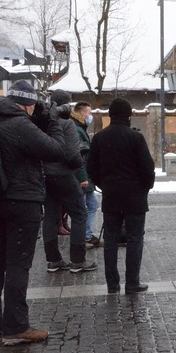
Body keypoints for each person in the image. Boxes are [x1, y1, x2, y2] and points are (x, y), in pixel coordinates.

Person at [0, 79, 67, 345]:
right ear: (28, 105)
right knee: (18, 264)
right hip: (22, 200)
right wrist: (53, 122)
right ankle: (16, 327)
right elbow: (56, 150)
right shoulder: (19, 124)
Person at [86, 98, 156, 294]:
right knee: (134, 239)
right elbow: (147, 168)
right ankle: (132, 283)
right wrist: (145, 188)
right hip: (135, 197)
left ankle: (112, 284)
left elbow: (91, 168)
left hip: (111, 196)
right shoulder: (135, 138)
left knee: (110, 240)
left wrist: (105, 184)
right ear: (128, 116)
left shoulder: (100, 137)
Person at [41, 90, 94, 274]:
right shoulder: (67, 124)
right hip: (64, 175)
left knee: (50, 216)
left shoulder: (43, 123)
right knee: (79, 214)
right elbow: (73, 154)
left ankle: (53, 260)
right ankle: (77, 261)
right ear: (67, 105)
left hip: (46, 175)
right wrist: (80, 171)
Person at [70, 101, 102, 248]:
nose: (90, 116)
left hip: (83, 175)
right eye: (89, 113)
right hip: (81, 176)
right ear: (82, 114)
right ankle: (84, 237)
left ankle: (86, 235)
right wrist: (83, 177)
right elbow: (79, 155)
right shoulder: (77, 129)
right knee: (84, 207)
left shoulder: (78, 127)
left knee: (91, 204)